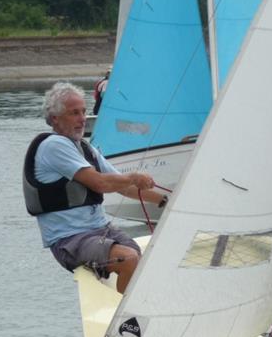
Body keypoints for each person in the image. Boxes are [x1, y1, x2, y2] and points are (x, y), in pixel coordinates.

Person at [23, 82, 166, 293]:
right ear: (55, 118)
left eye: (83, 112)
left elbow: (123, 187)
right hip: (70, 240)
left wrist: (165, 201)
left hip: (100, 230)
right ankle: (121, 322)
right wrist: (134, 177)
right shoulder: (53, 146)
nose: (82, 119)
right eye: (74, 113)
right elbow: (100, 183)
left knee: (144, 260)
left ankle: (127, 308)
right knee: (128, 258)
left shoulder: (84, 148)